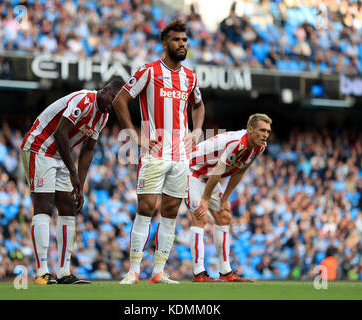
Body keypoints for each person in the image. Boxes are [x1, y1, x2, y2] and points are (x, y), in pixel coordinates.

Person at [112, 19, 205, 284]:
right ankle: (133, 270)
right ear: (165, 44)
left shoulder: (190, 76)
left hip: (181, 156)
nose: (182, 45)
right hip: (154, 152)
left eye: (185, 41)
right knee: (146, 208)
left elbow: (199, 106)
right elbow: (121, 99)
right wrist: (133, 134)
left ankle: (159, 271)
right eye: (177, 40)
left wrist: (197, 131)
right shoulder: (149, 71)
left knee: (171, 211)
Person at [21, 78, 125, 284]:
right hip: (39, 148)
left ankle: (64, 271)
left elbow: (88, 150)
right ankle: (42, 271)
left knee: (68, 207)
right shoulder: (84, 100)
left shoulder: (102, 117)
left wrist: (80, 185)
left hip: (60, 155)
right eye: (113, 99)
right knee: (44, 205)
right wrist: (73, 172)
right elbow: (61, 133)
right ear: (105, 90)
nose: (113, 105)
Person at [186, 113, 272, 282]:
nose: (265, 135)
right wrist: (205, 199)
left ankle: (225, 272)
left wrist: (225, 197)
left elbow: (240, 170)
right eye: (262, 130)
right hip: (192, 170)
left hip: (208, 175)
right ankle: (199, 273)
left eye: (268, 131)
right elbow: (218, 171)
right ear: (250, 129)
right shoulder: (237, 143)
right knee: (200, 216)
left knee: (224, 215)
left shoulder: (260, 147)